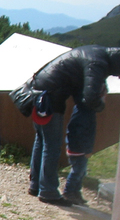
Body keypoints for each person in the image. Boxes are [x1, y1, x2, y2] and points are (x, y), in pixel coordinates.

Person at [27, 46, 120, 206]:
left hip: (40, 91)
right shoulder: (98, 63)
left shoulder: (95, 53)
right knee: (52, 145)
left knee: (42, 140)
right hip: (50, 97)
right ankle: (48, 191)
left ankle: (36, 185)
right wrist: (101, 103)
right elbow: (90, 96)